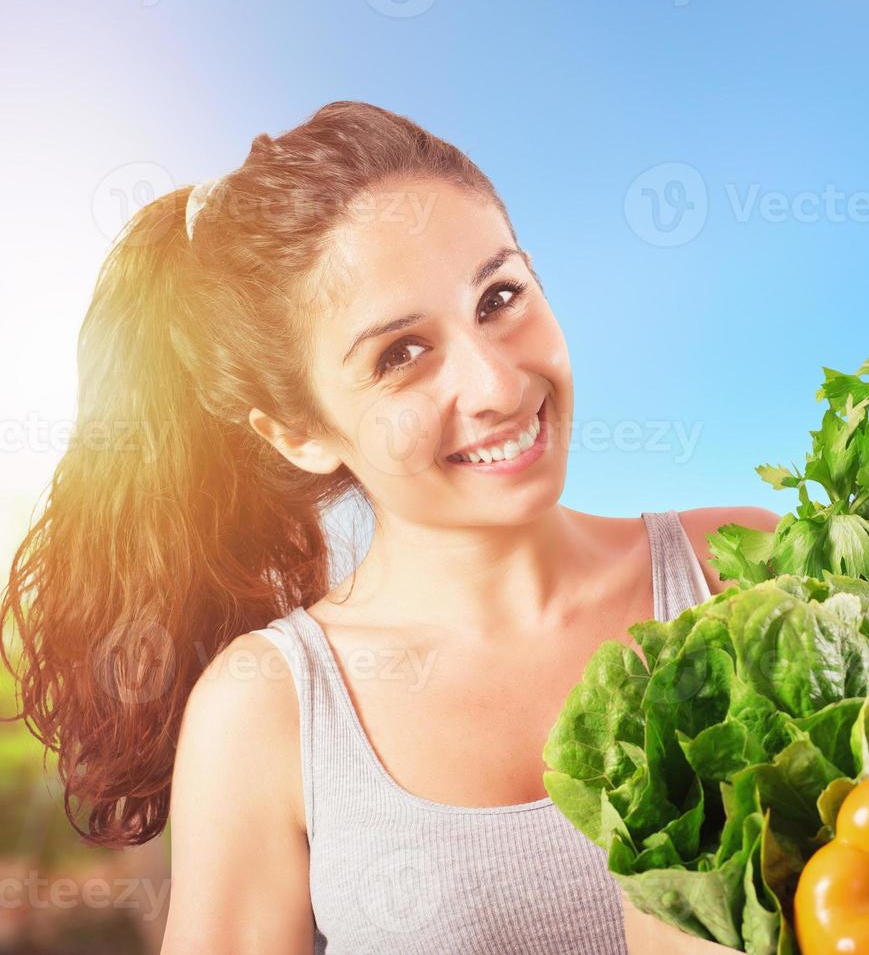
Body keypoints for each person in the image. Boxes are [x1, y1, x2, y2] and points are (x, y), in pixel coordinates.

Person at [1, 100, 778, 953]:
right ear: (297, 433)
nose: (495, 384)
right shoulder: (271, 710)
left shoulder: (739, 572)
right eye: (398, 356)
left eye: (500, 296)